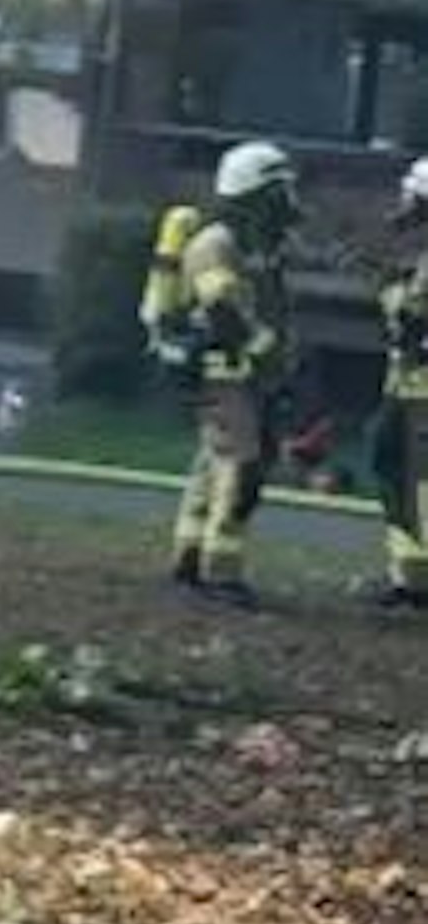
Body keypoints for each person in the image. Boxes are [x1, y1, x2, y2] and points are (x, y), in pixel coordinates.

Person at [169, 140, 300, 609]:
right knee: (239, 467)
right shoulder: (215, 244)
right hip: (222, 371)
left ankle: (189, 562)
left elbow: (273, 308)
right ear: (250, 195)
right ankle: (218, 574)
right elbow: (222, 307)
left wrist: (281, 364)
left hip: (247, 374)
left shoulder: (259, 247)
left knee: (215, 467)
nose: (286, 203)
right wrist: (261, 348)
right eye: (276, 193)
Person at [363, 158, 428, 611]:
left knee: (401, 468)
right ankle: (411, 578)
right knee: (395, 467)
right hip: (406, 385)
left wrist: (385, 285)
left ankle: (414, 580)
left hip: (419, 390)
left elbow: (411, 321)